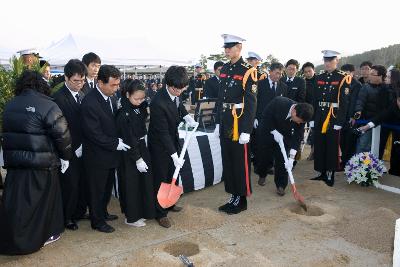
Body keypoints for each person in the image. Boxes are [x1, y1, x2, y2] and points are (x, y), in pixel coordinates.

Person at [0, 70, 72, 254]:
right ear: (42, 85)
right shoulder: (48, 106)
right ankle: (44, 235)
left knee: (17, 204)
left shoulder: (10, 105)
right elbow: (62, 135)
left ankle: (11, 239)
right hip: (42, 164)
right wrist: (66, 156)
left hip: (16, 165)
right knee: (42, 204)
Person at [148, 66, 198, 228]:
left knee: (173, 175)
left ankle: (169, 203)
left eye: (182, 88)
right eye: (176, 89)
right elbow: (162, 133)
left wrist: (187, 117)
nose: (179, 92)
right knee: (161, 178)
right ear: (168, 84)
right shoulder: (158, 102)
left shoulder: (175, 94)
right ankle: (160, 212)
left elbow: (179, 106)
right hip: (160, 146)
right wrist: (174, 155)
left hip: (172, 139)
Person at [81, 65, 128, 233]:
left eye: (118, 85)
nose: (116, 89)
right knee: (97, 190)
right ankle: (97, 220)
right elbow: (94, 133)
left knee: (107, 187)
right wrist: (115, 143)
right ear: (100, 82)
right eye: (113, 85)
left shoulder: (112, 98)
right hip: (96, 155)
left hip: (110, 154)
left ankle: (103, 212)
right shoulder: (90, 102)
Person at [215, 34, 257, 214]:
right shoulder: (224, 68)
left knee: (240, 162)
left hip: (239, 123)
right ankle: (232, 195)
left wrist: (246, 129)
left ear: (239, 47)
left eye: (230, 47)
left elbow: (251, 101)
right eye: (225, 47)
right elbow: (220, 98)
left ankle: (241, 199)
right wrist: (218, 121)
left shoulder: (248, 70)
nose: (226, 50)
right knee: (229, 161)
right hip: (226, 121)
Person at [52, 59, 87, 231]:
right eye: (76, 81)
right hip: (67, 150)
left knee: (81, 184)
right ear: (66, 78)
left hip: (84, 148)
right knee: (69, 186)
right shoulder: (58, 98)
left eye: (82, 80)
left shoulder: (82, 95)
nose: (80, 84)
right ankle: (67, 217)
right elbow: (59, 129)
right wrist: (70, 149)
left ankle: (79, 212)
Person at [116, 79, 156, 227]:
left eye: (142, 98)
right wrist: (137, 158)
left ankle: (142, 212)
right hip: (129, 151)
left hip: (141, 145)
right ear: (127, 95)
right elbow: (129, 137)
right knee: (131, 184)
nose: (139, 101)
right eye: (136, 98)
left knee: (143, 182)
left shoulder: (140, 107)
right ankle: (131, 217)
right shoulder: (123, 112)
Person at [309, 50, 351, 186]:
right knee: (320, 144)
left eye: (330, 60)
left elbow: (344, 102)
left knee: (331, 145)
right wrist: (312, 117)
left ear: (336, 61)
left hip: (333, 116)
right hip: (320, 116)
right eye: (325, 60)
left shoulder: (343, 77)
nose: (327, 63)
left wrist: (340, 121)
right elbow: (314, 99)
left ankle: (330, 173)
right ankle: (321, 172)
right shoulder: (319, 76)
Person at [258, 97, 313, 195]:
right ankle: (262, 174)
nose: (299, 123)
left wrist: (291, 157)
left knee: (283, 160)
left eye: (301, 122)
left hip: (285, 137)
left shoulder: (301, 116)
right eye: (299, 121)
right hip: (268, 132)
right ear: (294, 112)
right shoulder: (278, 102)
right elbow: (265, 118)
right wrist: (273, 131)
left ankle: (281, 185)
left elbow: (297, 137)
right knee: (264, 157)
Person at [358, 70, 400, 175]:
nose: (386, 78)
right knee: (378, 146)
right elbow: (385, 113)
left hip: (396, 124)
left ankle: (395, 171)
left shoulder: (396, 92)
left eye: (389, 77)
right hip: (384, 122)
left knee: (397, 148)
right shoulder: (384, 90)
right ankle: (375, 166)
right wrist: (368, 126)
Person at [254, 62, 287, 186]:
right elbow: (254, 102)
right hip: (263, 122)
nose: (279, 75)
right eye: (277, 73)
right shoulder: (259, 84)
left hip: (278, 124)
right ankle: (262, 174)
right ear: (270, 71)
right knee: (263, 150)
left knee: (279, 152)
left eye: (280, 73)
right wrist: (255, 117)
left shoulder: (284, 87)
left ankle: (280, 184)